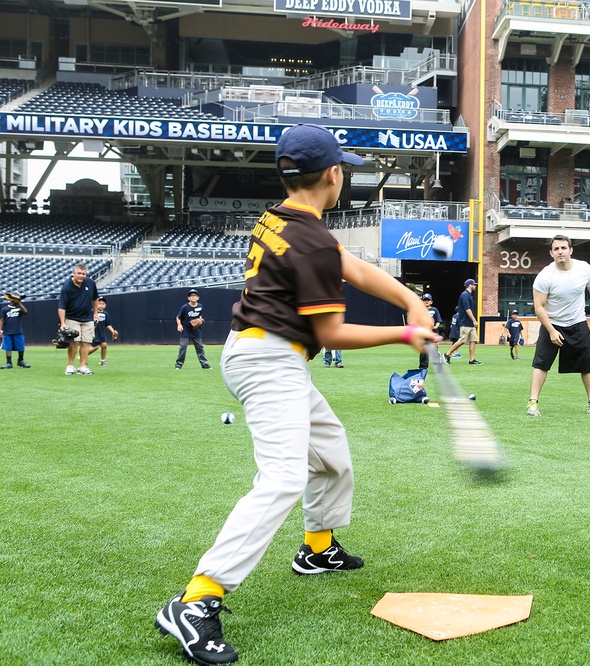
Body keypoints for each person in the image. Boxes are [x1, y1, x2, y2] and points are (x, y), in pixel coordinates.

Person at [155, 124, 439, 666]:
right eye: (343, 170)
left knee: (331, 452)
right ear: (333, 175)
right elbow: (331, 333)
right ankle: (197, 600)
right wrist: (405, 333)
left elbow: (348, 265)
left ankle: (317, 549)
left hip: (268, 354)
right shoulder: (308, 237)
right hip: (269, 362)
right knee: (283, 477)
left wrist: (408, 298)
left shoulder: (284, 216)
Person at [526, 235, 590, 416]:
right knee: (541, 364)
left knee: (587, 366)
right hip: (551, 324)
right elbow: (539, 307)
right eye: (556, 249)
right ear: (551, 253)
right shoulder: (545, 276)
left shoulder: (584, 269)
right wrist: (552, 331)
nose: (560, 251)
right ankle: (532, 402)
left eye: (563, 248)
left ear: (571, 250)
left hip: (577, 323)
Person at [57, 263, 99, 375]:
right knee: (74, 342)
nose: (81, 276)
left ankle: (82, 366)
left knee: (86, 342)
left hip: (87, 318)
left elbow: (95, 298)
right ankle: (70, 366)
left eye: (83, 274)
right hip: (72, 317)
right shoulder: (67, 285)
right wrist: (62, 323)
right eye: (79, 273)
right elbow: (61, 306)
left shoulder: (90, 283)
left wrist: (95, 313)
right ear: (74, 273)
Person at [444, 279, 481, 365]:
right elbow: (467, 309)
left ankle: (472, 360)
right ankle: (447, 354)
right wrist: (474, 320)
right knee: (462, 340)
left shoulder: (469, 295)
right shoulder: (464, 295)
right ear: (470, 285)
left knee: (473, 340)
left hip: (470, 323)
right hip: (465, 322)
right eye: (474, 285)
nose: (475, 286)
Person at [176, 289, 211, 370]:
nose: (193, 297)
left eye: (195, 295)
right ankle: (178, 365)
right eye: (191, 296)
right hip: (186, 329)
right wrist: (179, 325)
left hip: (196, 330)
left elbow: (200, 316)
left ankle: (205, 365)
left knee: (200, 347)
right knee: (183, 347)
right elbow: (178, 317)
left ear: (198, 297)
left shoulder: (200, 306)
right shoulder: (185, 307)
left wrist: (200, 321)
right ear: (188, 298)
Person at [1, 291, 29, 369]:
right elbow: (2, 320)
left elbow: (25, 311)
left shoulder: (19, 308)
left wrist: (19, 303)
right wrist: (0, 330)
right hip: (8, 332)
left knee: (21, 347)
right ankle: (8, 363)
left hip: (18, 331)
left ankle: (20, 361)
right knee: (8, 347)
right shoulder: (5, 309)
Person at [88, 296, 119, 366]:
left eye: (103, 303)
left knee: (104, 345)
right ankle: (83, 356)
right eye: (99, 303)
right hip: (93, 333)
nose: (101, 305)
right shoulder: (92, 312)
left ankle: (103, 360)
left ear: (105, 305)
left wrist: (112, 331)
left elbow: (107, 324)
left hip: (101, 333)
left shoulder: (105, 314)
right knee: (95, 347)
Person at [418, 293, 444, 369]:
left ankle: (437, 364)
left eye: (428, 300)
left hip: (433, 332)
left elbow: (438, 320)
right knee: (423, 349)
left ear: (431, 302)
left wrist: (435, 326)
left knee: (434, 348)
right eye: (424, 300)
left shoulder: (434, 310)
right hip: (423, 332)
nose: (426, 302)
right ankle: (423, 366)